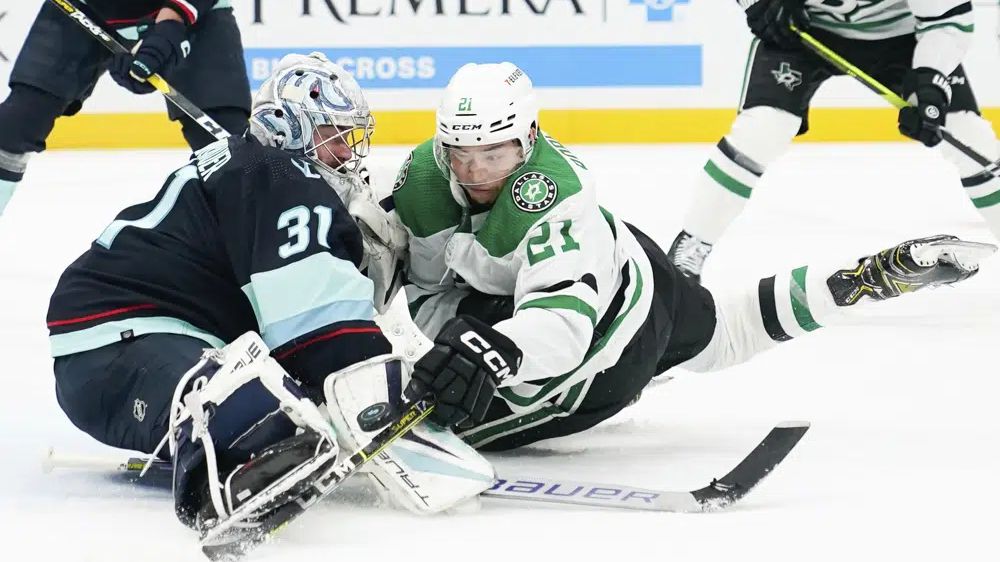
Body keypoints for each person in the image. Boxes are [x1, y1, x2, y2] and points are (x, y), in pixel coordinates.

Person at [389, 62, 995, 452]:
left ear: (529, 140)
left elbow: (562, 327)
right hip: (638, 266)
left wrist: (493, 351)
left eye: (494, 155)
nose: (475, 173)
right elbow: (417, 282)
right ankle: (859, 282)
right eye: (461, 154)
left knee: (448, 420)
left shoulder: (555, 198)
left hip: (606, 348)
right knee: (724, 334)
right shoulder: (424, 175)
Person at [46, 53, 494, 537]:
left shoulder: (258, 171)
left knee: (286, 403)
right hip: (120, 342)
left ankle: (230, 430)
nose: (346, 154)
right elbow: (322, 327)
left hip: (121, 352)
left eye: (349, 138)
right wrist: (387, 403)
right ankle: (222, 472)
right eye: (332, 137)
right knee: (257, 410)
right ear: (288, 129)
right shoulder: (281, 174)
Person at [664, 0, 1000, 281]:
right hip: (805, 28)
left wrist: (930, 79)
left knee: (968, 136)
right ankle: (692, 245)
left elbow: (947, 20)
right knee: (764, 129)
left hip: (902, 35)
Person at [0, 0, 252, 216]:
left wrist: (173, 19)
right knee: (17, 123)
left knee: (223, 146)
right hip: (89, 7)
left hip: (193, 11)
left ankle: (260, 251)